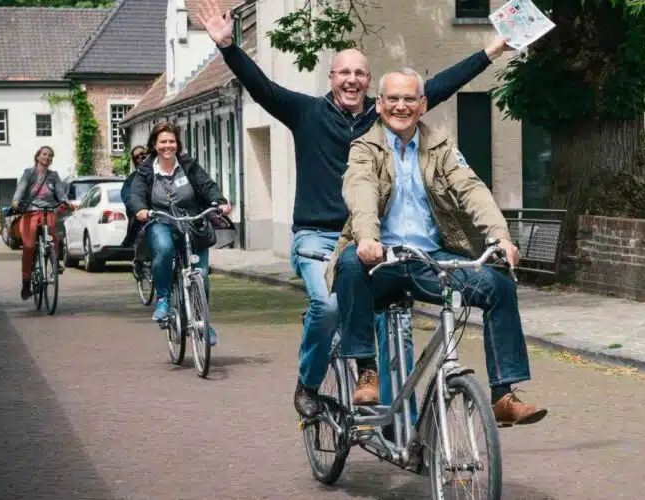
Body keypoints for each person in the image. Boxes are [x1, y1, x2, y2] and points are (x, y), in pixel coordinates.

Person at [196, 0, 516, 420]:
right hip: (319, 236)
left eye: (360, 73)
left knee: (395, 326)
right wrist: (228, 47)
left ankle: (399, 422)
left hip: (378, 239)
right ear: (332, 78)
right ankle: (309, 384)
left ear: (369, 83)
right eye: (343, 72)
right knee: (328, 307)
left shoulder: (382, 117)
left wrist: (493, 50)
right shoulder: (306, 113)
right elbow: (262, 88)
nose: (351, 80)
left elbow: (438, 86)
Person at [328, 68, 547, 427]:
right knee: (351, 264)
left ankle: (503, 395)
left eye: (409, 98)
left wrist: (499, 237)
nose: (401, 106)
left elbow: (472, 189)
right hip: (380, 259)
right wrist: (366, 237)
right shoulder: (364, 148)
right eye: (393, 98)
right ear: (379, 104)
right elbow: (361, 188)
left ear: (423, 104)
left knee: (499, 285)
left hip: (429, 261)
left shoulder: (441, 147)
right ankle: (367, 370)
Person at [126, 122, 232, 346]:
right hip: (161, 220)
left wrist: (220, 201)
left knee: (201, 274)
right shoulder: (146, 170)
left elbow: (207, 185)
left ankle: (204, 322)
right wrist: (140, 209)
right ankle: (163, 298)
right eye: (163, 141)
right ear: (155, 145)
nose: (168, 146)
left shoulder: (188, 165)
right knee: (164, 249)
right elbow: (136, 194)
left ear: (177, 143)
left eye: (172, 141)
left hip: (192, 221)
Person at [10, 146, 73, 300]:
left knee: (53, 237)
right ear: (38, 156)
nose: (47, 157)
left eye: (50, 155)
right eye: (44, 154)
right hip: (30, 212)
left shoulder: (54, 176)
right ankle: (26, 281)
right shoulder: (28, 173)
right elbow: (21, 188)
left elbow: (60, 192)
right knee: (29, 246)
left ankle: (54, 261)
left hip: (48, 211)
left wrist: (66, 202)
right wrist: (16, 201)